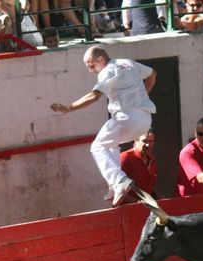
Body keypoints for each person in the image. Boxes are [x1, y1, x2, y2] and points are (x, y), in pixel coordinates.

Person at [50, 46, 156, 207]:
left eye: (91, 65)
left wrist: (68, 108)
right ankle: (114, 185)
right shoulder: (127, 63)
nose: (91, 71)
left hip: (126, 117)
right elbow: (152, 74)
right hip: (145, 119)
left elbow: (94, 96)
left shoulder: (109, 70)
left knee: (97, 147)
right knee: (110, 145)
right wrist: (144, 94)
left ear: (101, 59)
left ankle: (119, 180)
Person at [119, 129, 158, 204]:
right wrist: (137, 202)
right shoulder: (125, 158)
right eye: (145, 141)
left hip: (146, 208)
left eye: (151, 141)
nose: (148, 145)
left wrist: (159, 200)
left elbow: (149, 188)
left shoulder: (152, 161)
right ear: (135, 140)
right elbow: (117, 190)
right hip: (127, 210)